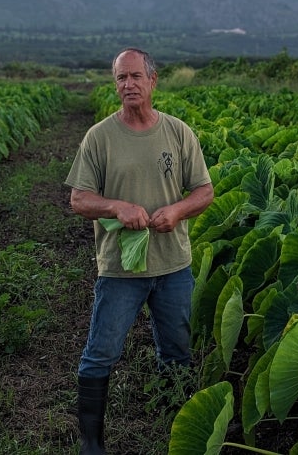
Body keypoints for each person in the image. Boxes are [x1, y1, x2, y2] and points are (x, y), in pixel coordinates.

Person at [65, 48, 214, 454]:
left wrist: (178, 210)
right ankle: (91, 442)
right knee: (101, 353)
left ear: (153, 80)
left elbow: (204, 191)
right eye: (120, 79)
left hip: (173, 265)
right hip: (120, 270)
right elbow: (79, 200)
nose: (127, 85)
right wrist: (115, 206)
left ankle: (175, 429)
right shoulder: (100, 136)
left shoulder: (178, 132)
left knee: (177, 351)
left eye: (134, 77)